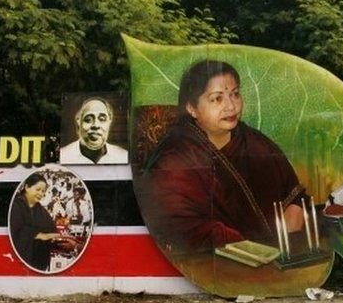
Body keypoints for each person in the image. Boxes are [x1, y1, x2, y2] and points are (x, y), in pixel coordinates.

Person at [139, 59, 307, 255]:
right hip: (215, 261)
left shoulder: (254, 142)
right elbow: (180, 223)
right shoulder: (175, 156)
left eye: (235, 94)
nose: (231, 106)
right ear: (192, 108)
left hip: (278, 255)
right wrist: (250, 249)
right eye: (217, 99)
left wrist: (291, 221)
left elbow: (295, 197)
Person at [9, 172, 59, 271]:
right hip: (22, 258)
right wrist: (39, 235)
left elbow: (51, 229)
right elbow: (15, 229)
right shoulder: (16, 205)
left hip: (39, 260)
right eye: (38, 189)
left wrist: (56, 238)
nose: (41, 194)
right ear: (27, 187)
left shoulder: (40, 209)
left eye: (43, 191)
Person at [59, 97, 129, 164]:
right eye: (88, 120)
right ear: (79, 122)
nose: (96, 125)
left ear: (109, 122)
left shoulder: (122, 156)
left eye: (102, 119)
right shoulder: (64, 155)